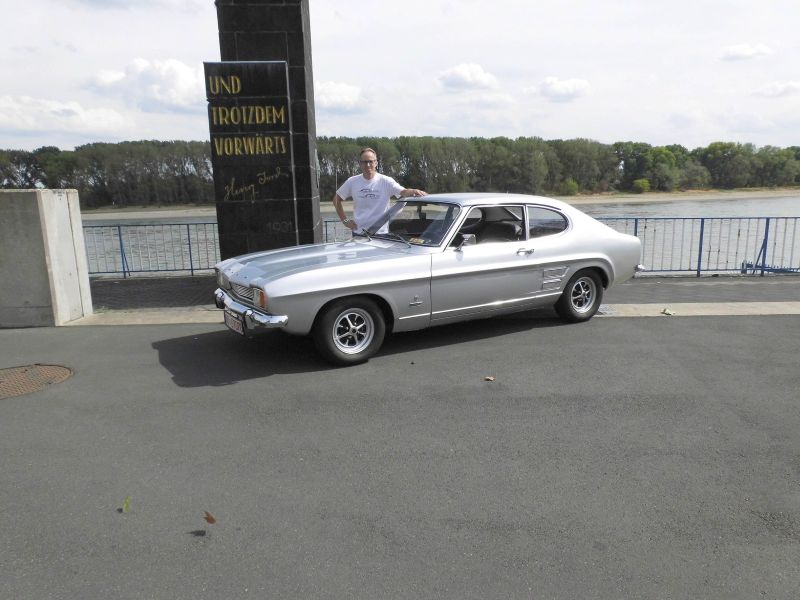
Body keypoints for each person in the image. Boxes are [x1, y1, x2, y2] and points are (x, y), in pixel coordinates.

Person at [332, 147, 427, 233]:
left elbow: (403, 192)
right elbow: (336, 199)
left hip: (381, 234)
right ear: (360, 164)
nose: (368, 165)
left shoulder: (386, 181)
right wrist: (345, 221)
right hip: (358, 233)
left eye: (371, 161)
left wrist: (413, 191)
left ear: (376, 163)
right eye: (364, 162)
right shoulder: (352, 181)